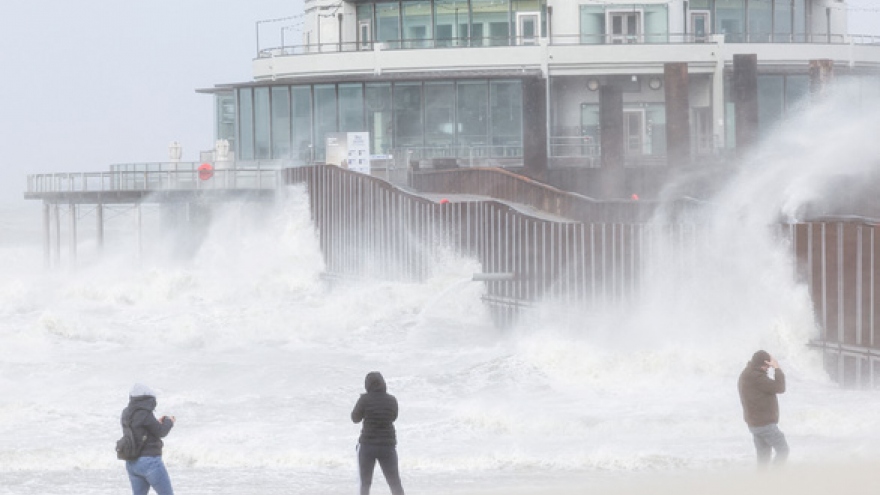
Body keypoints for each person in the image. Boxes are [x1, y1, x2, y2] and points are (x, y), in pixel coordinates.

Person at [351, 371, 405, 495]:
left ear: (367, 384)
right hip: (388, 446)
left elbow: (355, 418)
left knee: (365, 484)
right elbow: (393, 417)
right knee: (395, 483)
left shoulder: (364, 399)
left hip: (367, 446)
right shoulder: (392, 400)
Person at [121, 383, 176, 495]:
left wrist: (156, 423)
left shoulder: (126, 413)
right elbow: (161, 431)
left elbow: (139, 430)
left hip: (132, 463)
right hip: (150, 461)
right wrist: (169, 422)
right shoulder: (145, 414)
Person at [738, 350, 789, 467]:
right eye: (767, 366)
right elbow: (780, 387)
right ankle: (774, 479)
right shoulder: (756, 378)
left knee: (763, 458)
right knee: (783, 450)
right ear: (762, 364)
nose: (768, 368)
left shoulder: (746, 374)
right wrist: (777, 368)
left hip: (754, 423)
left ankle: (762, 482)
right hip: (764, 424)